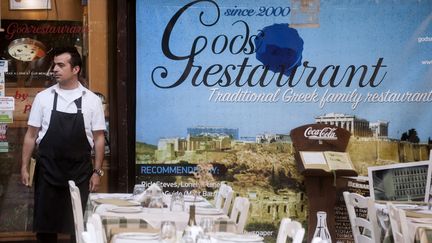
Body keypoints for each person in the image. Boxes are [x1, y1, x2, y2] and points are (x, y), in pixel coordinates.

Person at [20, 47, 106, 243]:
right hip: (47, 171)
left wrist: (97, 172)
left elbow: (99, 138)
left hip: (80, 173)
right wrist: (24, 167)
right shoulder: (43, 98)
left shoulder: (91, 100)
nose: (55, 69)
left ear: (76, 69)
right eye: (54, 65)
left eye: (61, 65)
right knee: (46, 229)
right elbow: (31, 136)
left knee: (79, 228)